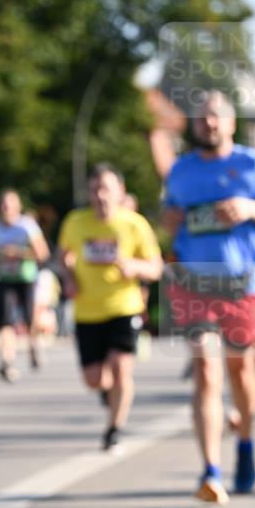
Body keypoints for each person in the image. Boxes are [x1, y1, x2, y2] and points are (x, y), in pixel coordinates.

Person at [161, 90, 255, 504]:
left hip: (243, 285)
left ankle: (245, 441)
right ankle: (211, 470)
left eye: (216, 116)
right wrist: (170, 219)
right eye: (202, 117)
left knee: (241, 372)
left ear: (231, 122)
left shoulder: (254, 164)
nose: (209, 123)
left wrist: (253, 209)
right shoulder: (181, 170)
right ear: (193, 124)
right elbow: (168, 216)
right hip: (194, 283)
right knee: (206, 370)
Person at [58, 163, 163, 451]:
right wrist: (69, 277)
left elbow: (156, 268)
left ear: (120, 191)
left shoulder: (135, 224)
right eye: (95, 189)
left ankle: (114, 428)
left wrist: (134, 267)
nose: (100, 195)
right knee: (93, 380)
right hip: (87, 310)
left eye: (106, 189)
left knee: (121, 367)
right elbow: (62, 255)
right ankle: (108, 393)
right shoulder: (75, 222)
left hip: (123, 307)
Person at [0, 189, 51, 381]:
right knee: (5, 322)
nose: (6, 208)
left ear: (18, 206)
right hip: (4, 280)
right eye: (3, 204)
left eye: (9, 204)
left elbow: (42, 253)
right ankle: (7, 360)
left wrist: (16, 253)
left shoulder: (27, 226)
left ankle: (34, 346)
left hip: (26, 278)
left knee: (29, 319)